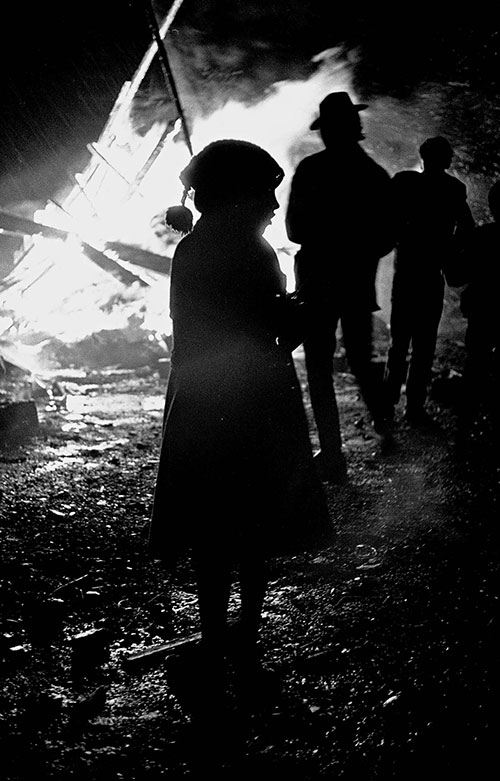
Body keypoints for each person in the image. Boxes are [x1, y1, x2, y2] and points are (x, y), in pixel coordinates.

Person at [148, 140, 332, 739]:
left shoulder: (192, 248)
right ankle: (246, 633)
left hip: (202, 397)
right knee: (254, 516)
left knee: (210, 520)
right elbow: (267, 331)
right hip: (252, 399)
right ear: (240, 194)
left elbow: (199, 327)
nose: (275, 204)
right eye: (266, 192)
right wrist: (302, 314)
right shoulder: (252, 252)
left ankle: (212, 633)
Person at [285, 91, 395, 482]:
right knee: (361, 361)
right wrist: (358, 254)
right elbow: (387, 237)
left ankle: (332, 454)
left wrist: (325, 241)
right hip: (354, 281)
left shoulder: (310, 170)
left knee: (319, 367)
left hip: (317, 280)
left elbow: (294, 230)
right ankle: (387, 428)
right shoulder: (375, 176)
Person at [383, 136, 475, 426]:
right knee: (424, 345)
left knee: (399, 343)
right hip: (431, 274)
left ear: (423, 157)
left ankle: (386, 406)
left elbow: (387, 219)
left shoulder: (404, 183)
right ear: (446, 159)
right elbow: (467, 228)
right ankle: (414, 408)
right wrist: (450, 251)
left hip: (406, 271)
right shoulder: (453, 188)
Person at [458, 180, 500, 433]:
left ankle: (465, 425)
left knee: (475, 368)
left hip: (482, 311)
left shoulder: (480, 237)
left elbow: (457, 276)